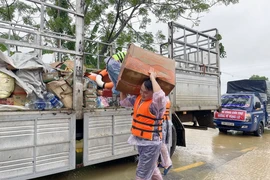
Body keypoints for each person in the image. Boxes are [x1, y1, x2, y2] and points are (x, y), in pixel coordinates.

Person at [120, 68, 166, 180]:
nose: (142, 94)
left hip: (151, 143)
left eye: (146, 92)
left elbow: (160, 95)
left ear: (152, 92)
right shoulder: (139, 99)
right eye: (141, 90)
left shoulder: (156, 105)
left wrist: (153, 78)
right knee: (151, 168)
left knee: (142, 174)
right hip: (141, 141)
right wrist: (122, 88)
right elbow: (124, 102)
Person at [158, 96, 173, 175]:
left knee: (162, 143)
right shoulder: (165, 97)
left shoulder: (163, 98)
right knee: (162, 143)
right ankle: (164, 163)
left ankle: (167, 163)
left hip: (163, 123)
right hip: (164, 122)